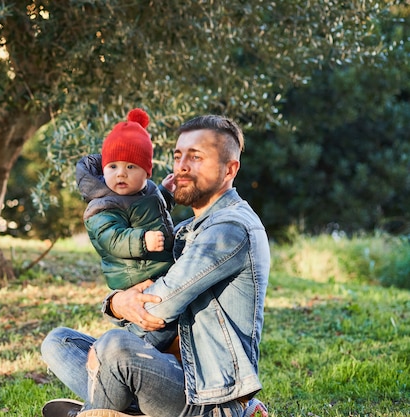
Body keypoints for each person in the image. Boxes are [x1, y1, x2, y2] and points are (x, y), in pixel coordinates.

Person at [41, 114, 271, 417]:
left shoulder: (229, 229)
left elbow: (155, 309)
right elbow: (136, 303)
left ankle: (99, 408)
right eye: (178, 156)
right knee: (59, 341)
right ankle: (123, 407)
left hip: (209, 399)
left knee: (114, 346)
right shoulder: (191, 227)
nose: (182, 166)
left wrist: (120, 310)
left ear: (230, 169)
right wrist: (116, 301)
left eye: (196, 157)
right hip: (174, 369)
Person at [76, 108, 179, 352]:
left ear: (146, 171)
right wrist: (142, 240)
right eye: (112, 166)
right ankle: (131, 355)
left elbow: (154, 213)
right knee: (153, 325)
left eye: (131, 166)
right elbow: (110, 238)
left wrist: (165, 194)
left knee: (169, 322)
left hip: (156, 268)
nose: (121, 173)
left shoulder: (147, 191)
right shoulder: (103, 204)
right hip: (135, 275)